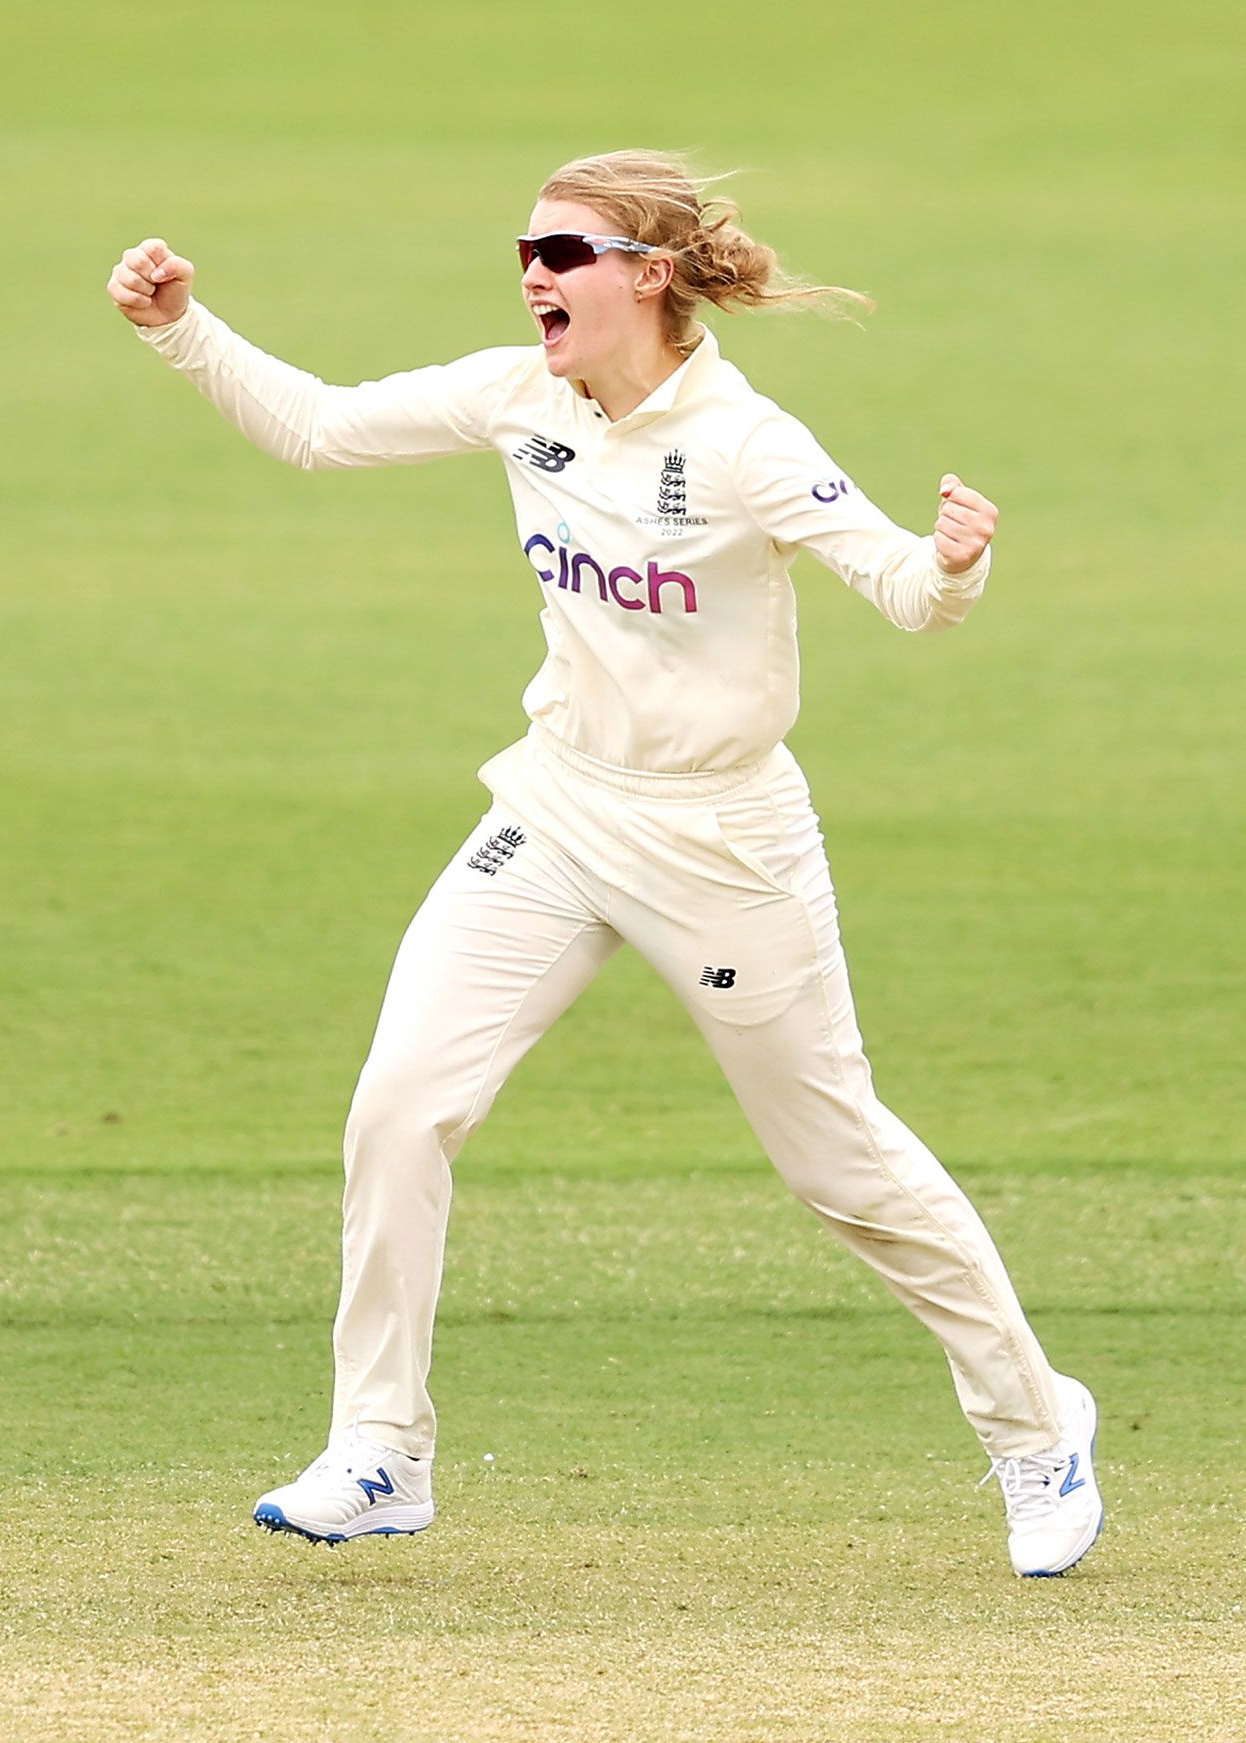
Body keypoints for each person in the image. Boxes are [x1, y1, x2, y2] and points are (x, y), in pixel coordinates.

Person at [107, 149, 1102, 1576]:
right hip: (562, 807)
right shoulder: (525, 394)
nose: (533, 273)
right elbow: (321, 429)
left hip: (721, 840)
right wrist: (179, 330)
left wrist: (952, 565)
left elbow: (899, 588)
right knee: (400, 1106)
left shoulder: (747, 442)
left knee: (843, 1167)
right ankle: (382, 1450)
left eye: (564, 252)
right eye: (524, 247)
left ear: (650, 273)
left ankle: (1036, 1429)